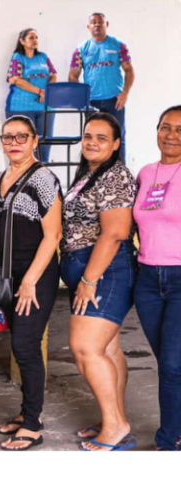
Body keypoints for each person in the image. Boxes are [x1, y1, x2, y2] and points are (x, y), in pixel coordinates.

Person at [60, 112, 138, 451]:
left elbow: (117, 232)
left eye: (101, 138)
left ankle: (116, 425)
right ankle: (114, 418)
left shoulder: (115, 176)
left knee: (85, 349)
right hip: (88, 266)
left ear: (116, 144)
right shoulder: (91, 172)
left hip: (104, 270)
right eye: (88, 135)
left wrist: (89, 280)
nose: (92, 142)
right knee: (107, 348)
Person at [0, 115, 62, 451]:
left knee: (25, 347)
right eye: (8, 137)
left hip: (37, 274)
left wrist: (31, 280)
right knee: (20, 344)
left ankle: (33, 426)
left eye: (22, 136)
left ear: (36, 141)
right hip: (9, 274)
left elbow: (53, 236)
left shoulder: (44, 178)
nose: (14, 142)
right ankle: (27, 413)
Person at [133, 105, 181, 451]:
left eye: (180, 129)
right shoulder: (145, 173)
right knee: (169, 362)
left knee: (172, 364)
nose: (171, 135)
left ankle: (169, 441)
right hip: (147, 279)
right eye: (166, 127)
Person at [69, 12, 134, 161]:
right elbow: (73, 75)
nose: (97, 24)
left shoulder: (118, 46)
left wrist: (125, 93)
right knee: (93, 140)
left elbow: (129, 70)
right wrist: (81, 99)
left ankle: (120, 174)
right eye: (93, 22)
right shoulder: (81, 49)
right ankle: (94, 174)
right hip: (91, 102)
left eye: (100, 22)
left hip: (114, 100)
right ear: (88, 26)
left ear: (107, 24)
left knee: (118, 138)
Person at [5, 29, 57, 163]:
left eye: (36, 38)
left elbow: (53, 75)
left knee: (44, 145)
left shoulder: (43, 57)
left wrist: (46, 92)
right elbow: (16, 79)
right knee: (22, 147)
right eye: (31, 38)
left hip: (45, 107)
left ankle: (44, 179)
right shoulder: (17, 57)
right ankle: (21, 182)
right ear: (22, 41)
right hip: (21, 107)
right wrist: (40, 92)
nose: (35, 41)